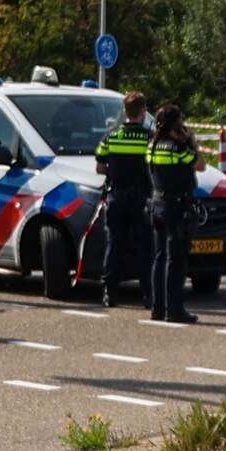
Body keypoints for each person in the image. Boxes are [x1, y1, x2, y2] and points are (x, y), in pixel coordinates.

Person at [84, 93, 158, 308]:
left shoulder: (111, 136)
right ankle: (148, 294)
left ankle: (109, 292)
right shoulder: (149, 138)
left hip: (116, 197)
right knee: (145, 247)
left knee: (115, 245)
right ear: (143, 111)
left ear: (125, 111)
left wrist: (116, 170)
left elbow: (100, 167)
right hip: (142, 200)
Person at [144, 104, 201, 324]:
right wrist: (191, 142)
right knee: (176, 260)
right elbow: (200, 165)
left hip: (157, 204)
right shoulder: (178, 148)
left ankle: (157, 307)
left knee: (159, 258)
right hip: (176, 206)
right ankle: (174, 309)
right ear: (176, 123)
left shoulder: (152, 146)